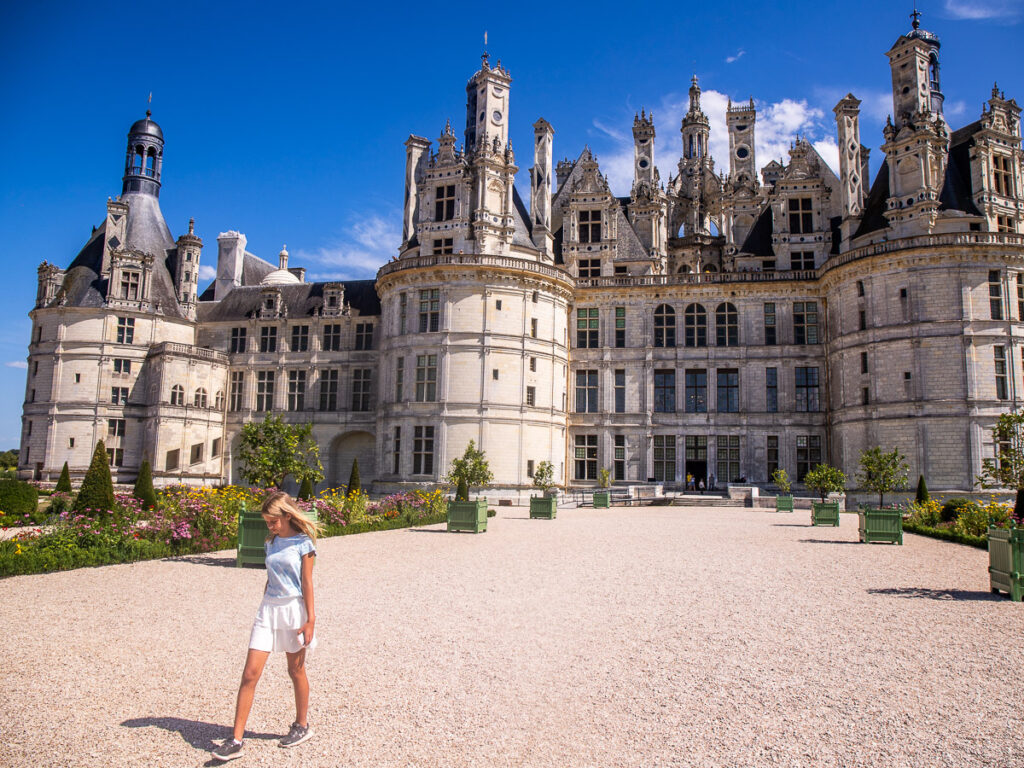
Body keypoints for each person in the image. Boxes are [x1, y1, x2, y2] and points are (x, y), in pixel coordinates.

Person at [212, 491, 320, 762]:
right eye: (266, 522)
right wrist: (264, 605)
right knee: (250, 673)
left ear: (287, 515)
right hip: (268, 609)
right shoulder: (270, 543)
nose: (269, 526)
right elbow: (270, 577)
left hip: (294, 610)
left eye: (273, 521)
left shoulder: (303, 543)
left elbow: (307, 583)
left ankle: (302, 725)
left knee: (295, 671)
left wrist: (311, 620)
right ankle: (236, 739)